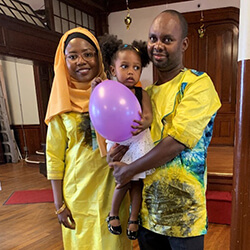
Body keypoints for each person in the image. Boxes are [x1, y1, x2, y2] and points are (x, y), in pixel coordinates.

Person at [109, 10, 221, 250]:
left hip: (184, 218)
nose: (157, 45)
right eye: (153, 38)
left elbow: (176, 142)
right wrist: (115, 154)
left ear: (184, 44)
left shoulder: (197, 84)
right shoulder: (144, 95)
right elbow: (129, 139)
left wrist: (129, 170)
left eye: (167, 39)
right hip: (147, 216)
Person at [45, 27, 132, 250]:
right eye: (72, 56)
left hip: (112, 190)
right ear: (63, 62)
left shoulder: (115, 93)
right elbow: (54, 156)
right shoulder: (61, 106)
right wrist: (59, 204)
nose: (81, 61)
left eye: (88, 54)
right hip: (77, 194)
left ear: (98, 57)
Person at [91, 34, 154, 241]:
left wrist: (145, 122)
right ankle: (113, 213)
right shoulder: (109, 88)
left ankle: (134, 217)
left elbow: (148, 115)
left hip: (138, 140)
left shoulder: (141, 92)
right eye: (125, 66)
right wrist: (96, 87)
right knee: (123, 180)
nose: (131, 72)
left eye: (136, 68)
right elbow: (99, 106)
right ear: (112, 70)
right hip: (119, 140)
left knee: (138, 182)